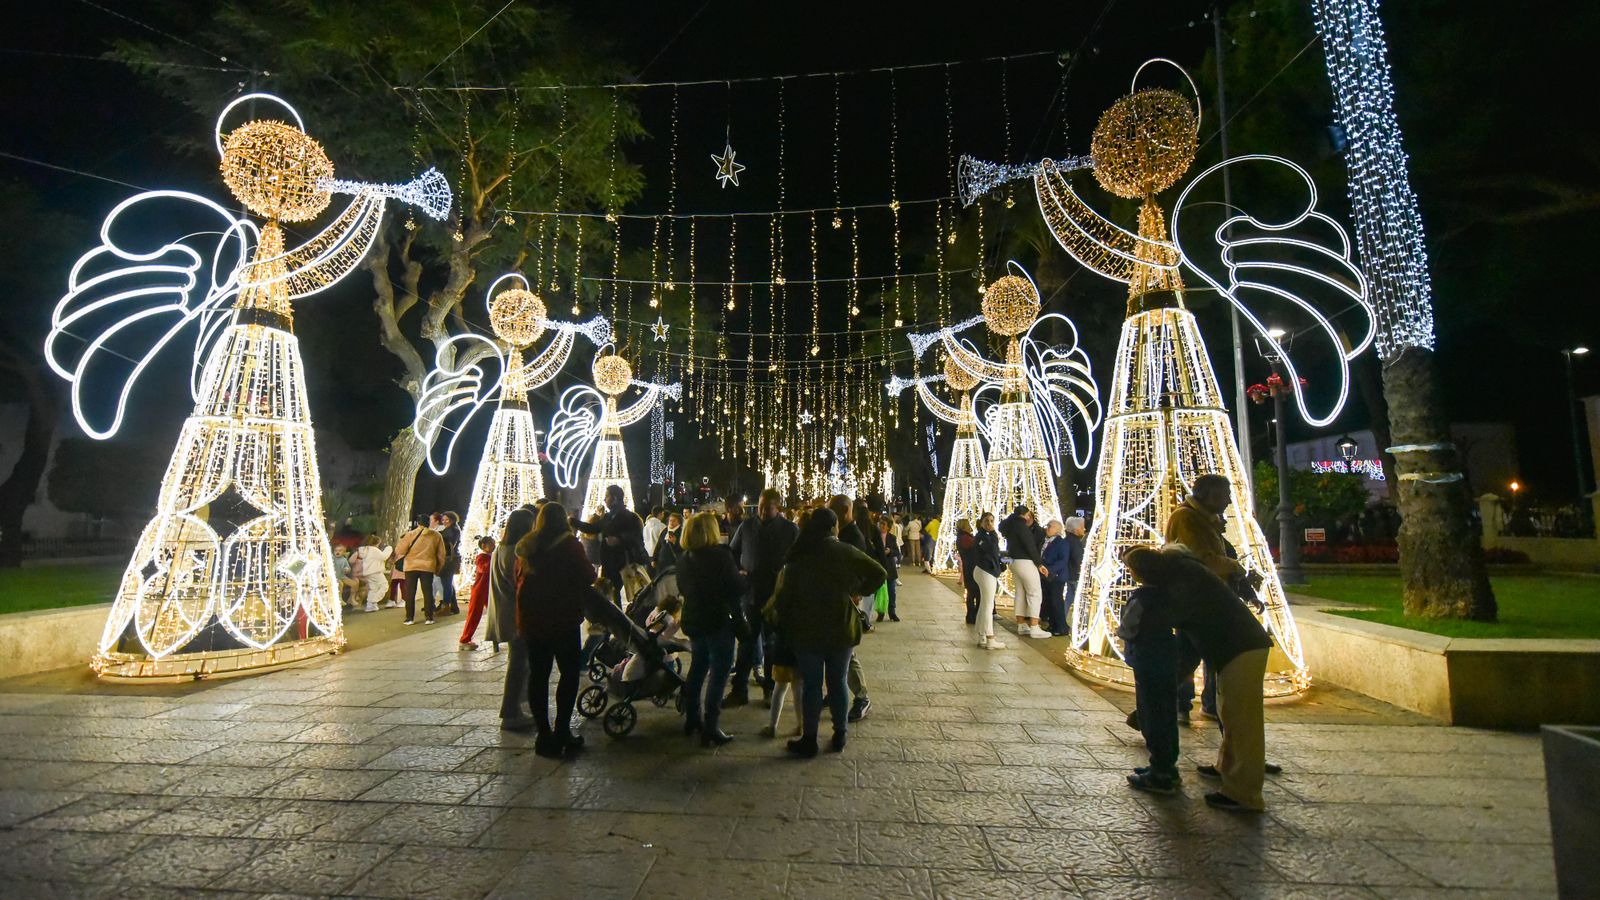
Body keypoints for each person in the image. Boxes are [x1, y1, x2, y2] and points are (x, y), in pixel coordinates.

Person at [1120, 544, 1273, 812]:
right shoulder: (1183, 572)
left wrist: (1166, 684)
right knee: (1231, 715)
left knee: (1243, 722)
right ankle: (1225, 769)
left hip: (1240, 647)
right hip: (1232, 647)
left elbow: (1182, 636)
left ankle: (1244, 794)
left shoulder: (1180, 583)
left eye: (1134, 571)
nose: (1134, 577)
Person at [768, 508, 886, 757]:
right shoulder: (843, 550)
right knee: (838, 681)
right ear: (833, 527)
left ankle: (809, 739)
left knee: (812, 684)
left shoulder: (799, 554)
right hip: (840, 627)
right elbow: (880, 572)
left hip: (806, 629)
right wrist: (857, 589)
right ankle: (840, 732)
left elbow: (785, 597)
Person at [1166, 474, 1261, 723]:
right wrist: (1236, 568)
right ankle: (1175, 705)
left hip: (1212, 601)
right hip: (1194, 602)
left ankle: (1207, 705)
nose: (1229, 500)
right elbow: (1203, 559)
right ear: (1209, 494)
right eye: (1225, 494)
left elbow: (1219, 556)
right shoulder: (1187, 518)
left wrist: (1245, 590)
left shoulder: (1206, 520)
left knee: (1206, 657)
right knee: (1187, 657)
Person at [515, 502, 595, 758]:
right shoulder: (570, 545)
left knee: (538, 675)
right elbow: (588, 575)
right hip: (562, 618)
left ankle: (543, 734)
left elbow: (518, 578)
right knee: (569, 673)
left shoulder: (527, 546)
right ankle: (562, 729)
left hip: (532, 619)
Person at [1116, 545, 1184, 796]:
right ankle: (1167, 765)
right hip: (1165, 658)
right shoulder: (1168, 595)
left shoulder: (1141, 598)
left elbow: (1128, 627)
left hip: (1145, 659)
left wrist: (1122, 634)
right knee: (1166, 711)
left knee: (1152, 711)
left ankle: (1160, 772)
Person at [677, 511, 747, 747]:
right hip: (717, 620)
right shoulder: (720, 556)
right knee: (719, 673)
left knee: (697, 668)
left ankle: (692, 718)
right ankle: (711, 726)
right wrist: (744, 578)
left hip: (694, 619)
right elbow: (736, 588)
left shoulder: (685, 558)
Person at [727, 489, 797, 707]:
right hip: (751, 594)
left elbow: (798, 557)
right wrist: (738, 570)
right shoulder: (747, 526)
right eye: (761, 507)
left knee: (772, 644)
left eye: (768, 508)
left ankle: (770, 689)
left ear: (778, 508)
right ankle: (740, 689)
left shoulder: (790, 530)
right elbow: (733, 551)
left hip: (776, 595)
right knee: (747, 641)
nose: (764, 511)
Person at [489, 509, 536, 731]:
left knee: (518, 661)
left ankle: (517, 706)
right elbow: (522, 586)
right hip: (517, 614)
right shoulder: (517, 553)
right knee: (518, 664)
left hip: (505, 612)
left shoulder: (500, 548)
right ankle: (510, 711)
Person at [828, 495, 873, 721]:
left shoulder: (852, 537)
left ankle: (862, 697)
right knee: (839, 650)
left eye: (832, 511)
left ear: (845, 511)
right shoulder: (842, 534)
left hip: (844, 602)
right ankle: (836, 692)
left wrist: (855, 592)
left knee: (847, 652)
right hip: (836, 600)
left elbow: (865, 571)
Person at [571, 485, 646, 603]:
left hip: (622, 562)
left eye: (607, 496)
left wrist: (619, 539)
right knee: (611, 594)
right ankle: (615, 618)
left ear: (615, 498)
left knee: (618, 594)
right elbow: (592, 528)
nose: (604, 500)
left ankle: (620, 618)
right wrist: (573, 522)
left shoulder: (628, 516)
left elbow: (636, 537)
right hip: (608, 562)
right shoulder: (608, 516)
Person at [999, 505, 1050, 639]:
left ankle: (1021, 624)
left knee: (1020, 592)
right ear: (1025, 514)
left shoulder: (1010, 526)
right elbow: (1030, 545)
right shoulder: (1021, 527)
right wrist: (1039, 564)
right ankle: (1034, 626)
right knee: (1035, 593)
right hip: (1025, 561)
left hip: (1013, 560)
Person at [394, 513, 446, 625]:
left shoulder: (410, 534)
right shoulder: (436, 535)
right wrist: (438, 567)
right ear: (428, 522)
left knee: (410, 592)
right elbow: (441, 554)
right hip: (428, 566)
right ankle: (429, 617)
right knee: (427, 592)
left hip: (411, 566)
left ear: (418, 522)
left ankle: (409, 618)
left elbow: (400, 551)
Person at [971, 513, 1006, 649]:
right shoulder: (982, 536)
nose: (990, 523)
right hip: (985, 571)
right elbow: (990, 550)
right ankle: (990, 637)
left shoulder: (987, 536)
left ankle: (982, 636)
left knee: (985, 604)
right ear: (981, 522)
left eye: (992, 521)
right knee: (988, 605)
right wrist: (993, 534)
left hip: (986, 570)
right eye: (987, 521)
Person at [1040, 521, 1080, 637]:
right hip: (1047, 576)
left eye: (1050, 526)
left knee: (1056, 601)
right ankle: (1053, 624)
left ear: (1057, 529)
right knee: (1049, 601)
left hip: (1056, 577)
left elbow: (1063, 561)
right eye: (1047, 525)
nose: (1047, 528)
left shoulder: (1061, 543)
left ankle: (1061, 627)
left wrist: (1049, 570)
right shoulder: (1047, 541)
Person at [459, 536, 495, 650]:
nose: (493, 546)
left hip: (489, 590)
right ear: (483, 546)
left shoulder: (491, 556)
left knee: (495, 614)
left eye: (494, 543)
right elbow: (484, 569)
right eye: (491, 544)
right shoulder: (482, 557)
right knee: (474, 615)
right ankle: (464, 639)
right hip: (480, 590)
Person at [350, 535, 391, 613]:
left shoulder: (364, 550)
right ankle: (373, 600)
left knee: (373, 588)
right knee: (384, 585)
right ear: (377, 543)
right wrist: (389, 549)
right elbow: (384, 556)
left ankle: (370, 606)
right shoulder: (374, 550)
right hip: (376, 571)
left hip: (368, 572)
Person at [954, 518, 979, 625]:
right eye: (968, 525)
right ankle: (972, 615)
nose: (970, 526)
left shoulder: (962, 537)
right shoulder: (965, 538)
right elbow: (974, 548)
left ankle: (971, 615)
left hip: (969, 566)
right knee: (974, 592)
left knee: (971, 592)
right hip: (971, 566)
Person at [437, 511, 463, 615]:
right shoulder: (451, 529)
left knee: (446, 583)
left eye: (447, 519)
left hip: (449, 559)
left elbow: (449, 543)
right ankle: (453, 606)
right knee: (448, 583)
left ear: (452, 519)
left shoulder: (453, 530)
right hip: (449, 558)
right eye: (443, 520)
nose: (444, 522)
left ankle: (446, 605)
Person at [876, 516, 901, 622]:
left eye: (884, 524)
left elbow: (897, 552)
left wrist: (890, 551)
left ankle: (892, 612)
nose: (881, 526)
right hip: (879, 567)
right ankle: (880, 612)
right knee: (879, 592)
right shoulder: (875, 537)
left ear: (888, 527)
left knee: (891, 591)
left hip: (890, 568)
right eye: (880, 523)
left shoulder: (892, 537)